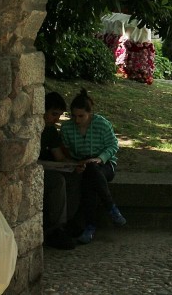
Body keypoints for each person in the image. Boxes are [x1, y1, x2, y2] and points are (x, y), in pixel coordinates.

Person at [61, 89, 126, 244]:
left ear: (89, 113)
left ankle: (90, 226)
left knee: (91, 172)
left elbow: (112, 146)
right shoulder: (67, 128)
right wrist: (75, 163)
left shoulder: (102, 124)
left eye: (81, 116)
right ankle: (111, 209)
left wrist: (99, 158)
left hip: (104, 163)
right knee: (89, 179)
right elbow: (66, 150)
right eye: (74, 116)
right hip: (80, 163)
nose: (77, 120)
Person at [39, 91, 76, 250]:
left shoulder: (51, 131)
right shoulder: (34, 127)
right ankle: (56, 228)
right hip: (39, 171)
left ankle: (70, 223)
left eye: (59, 115)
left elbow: (59, 157)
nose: (56, 119)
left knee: (74, 178)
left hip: (47, 167)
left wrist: (74, 165)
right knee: (57, 181)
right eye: (54, 114)